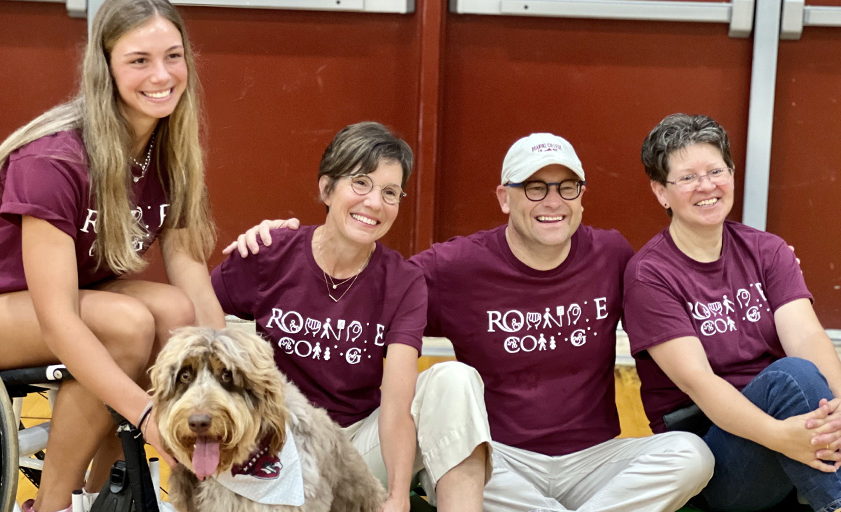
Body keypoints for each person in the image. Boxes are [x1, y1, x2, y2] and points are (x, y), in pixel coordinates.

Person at [229, 132, 714, 512]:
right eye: (535, 187)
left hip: (593, 459)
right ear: (505, 197)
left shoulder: (612, 254)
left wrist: (746, 266)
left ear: (582, 196)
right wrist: (282, 243)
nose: (552, 201)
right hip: (498, 461)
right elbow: (367, 275)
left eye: (566, 187)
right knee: (449, 451)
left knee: (692, 456)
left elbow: (676, 296)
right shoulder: (448, 268)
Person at [0, 1, 225, 511]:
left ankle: (103, 495)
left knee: (176, 315)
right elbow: (57, 320)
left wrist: (230, 377)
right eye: (139, 60)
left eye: (173, 56)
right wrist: (147, 416)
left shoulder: (170, 152)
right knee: (126, 324)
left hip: (64, 301)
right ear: (106, 67)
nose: (161, 75)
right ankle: (52, 504)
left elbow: (190, 276)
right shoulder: (55, 158)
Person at [211, 121, 492, 512]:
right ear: (327, 189)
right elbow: (196, 317)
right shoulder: (271, 253)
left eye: (390, 192)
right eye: (361, 183)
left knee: (455, 378)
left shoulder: (404, 281)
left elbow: (396, 403)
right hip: (276, 446)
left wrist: (396, 497)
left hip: (355, 450)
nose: (374, 203)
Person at [623, 113, 841, 512]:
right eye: (687, 177)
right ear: (661, 192)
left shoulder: (767, 250)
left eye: (716, 170)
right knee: (793, 377)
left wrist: (839, 411)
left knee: (806, 377)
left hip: (795, 430)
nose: (707, 185)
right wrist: (779, 434)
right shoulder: (649, 275)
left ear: (732, 174)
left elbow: (808, 337)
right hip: (715, 457)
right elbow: (700, 383)